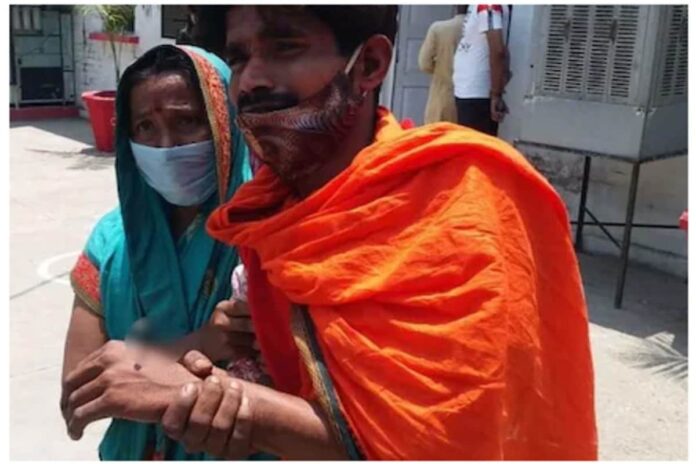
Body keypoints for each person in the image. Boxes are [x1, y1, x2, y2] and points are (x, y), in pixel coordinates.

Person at [61, 5, 597, 460]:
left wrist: (208, 396)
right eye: (240, 57)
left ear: (369, 64)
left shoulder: (459, 199)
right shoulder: (266, 213)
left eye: (285, 48)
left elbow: (444, 441)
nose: (252, 79)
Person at [60, 44, 259, 460]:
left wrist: (140, 374)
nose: (166, 146)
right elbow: (79, 393)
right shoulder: (112, 241)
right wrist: (199, 344)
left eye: (187, 121)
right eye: (145, 127)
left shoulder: (268, 238)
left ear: (226, 122)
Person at [453, 4, 512, 135]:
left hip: (477, 93)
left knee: (473, 143)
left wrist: (496, 94)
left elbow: (498, 50)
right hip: (468, 90)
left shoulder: (488, 6)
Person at [418, 6, 467, 124]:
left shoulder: (438, 29)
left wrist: (441, 68)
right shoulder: (479, 31)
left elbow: (424, 63)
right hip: (469, 100)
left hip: (441, 96)